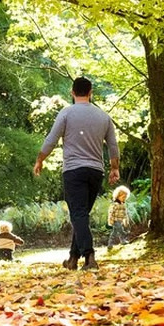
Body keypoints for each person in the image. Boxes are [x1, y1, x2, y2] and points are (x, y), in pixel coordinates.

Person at [34, 76, 120, 271]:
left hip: (73, 170)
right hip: (95, 172)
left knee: (78, 214)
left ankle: (90, 257)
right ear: (91, 93)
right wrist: (114, 168)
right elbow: (113, 147)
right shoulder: (104, 117)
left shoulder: (66, 114)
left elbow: (51, 140)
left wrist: (40, 159)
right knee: (81, 214)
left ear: (72, 92)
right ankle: (73, 259)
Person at [106, 185, 131, 249]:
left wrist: (125, 220)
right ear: (118, 196)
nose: (124, 198)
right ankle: (124, 235)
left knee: (114, 232)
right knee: (120, 230)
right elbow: (111, 213)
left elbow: (125, 213)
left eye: (125, 197)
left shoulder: (123, 205)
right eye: (123, 197)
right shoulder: (114, 204)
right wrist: (110, 221)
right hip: (115, 220)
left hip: (120, 220)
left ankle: (111, 243)